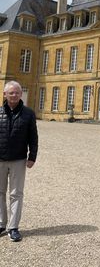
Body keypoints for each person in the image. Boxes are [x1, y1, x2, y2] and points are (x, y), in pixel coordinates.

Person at [0, 81, 38, 242]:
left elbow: (33, 138)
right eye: (11, 92)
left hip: (18, 159)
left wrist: (32, 157)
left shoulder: (28, 113)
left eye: (17, 92)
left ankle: (13, 227)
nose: (14, 95)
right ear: (4, 94)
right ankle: (1, 223)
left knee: (16, 194)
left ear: (21, 94)